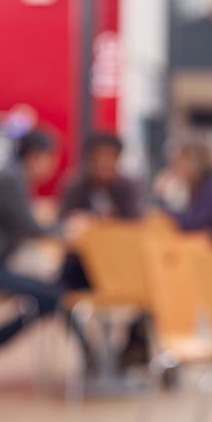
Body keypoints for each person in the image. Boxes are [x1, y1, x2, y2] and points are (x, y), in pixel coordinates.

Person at [0, 130, 88, 390]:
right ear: (34, 157)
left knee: (53, 294)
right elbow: (30, 228)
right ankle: (91, 357)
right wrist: (66, 230)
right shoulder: (10, 179)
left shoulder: (12, 177)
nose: (52, 166)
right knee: (55, 295)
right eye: (49, 159)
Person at [56, 133, 144, 369]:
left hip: (121, 269)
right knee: (56, 298)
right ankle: (90, 355)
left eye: (110, 157)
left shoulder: (128, 187)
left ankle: (132, 353)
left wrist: (103, 227)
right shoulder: (75, 187)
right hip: (81, 268)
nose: (104, 163)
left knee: (150, 294)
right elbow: (63, 227)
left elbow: (135, 230)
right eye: (99, 157)